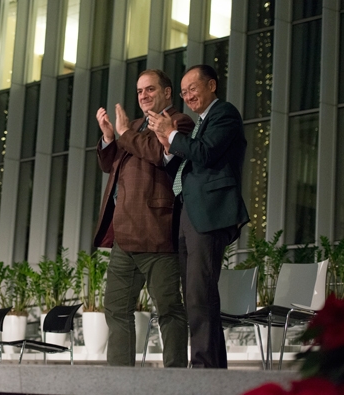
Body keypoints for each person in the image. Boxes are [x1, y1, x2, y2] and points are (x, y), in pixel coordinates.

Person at [148, 64, 250, 368]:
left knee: (198, 295)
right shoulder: (202, 122)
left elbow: (205, 154)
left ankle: (204, 368)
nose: (188, 95)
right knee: (198, 295)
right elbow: (187, 166)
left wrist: (171, 134)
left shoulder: (224, 114)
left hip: (209, 214)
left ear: (212, 86)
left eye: (193, 88)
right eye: (184, 92)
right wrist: (168, 144)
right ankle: (212, 368)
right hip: (188, 214)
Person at [93, 69, 193, 367]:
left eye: (150, 89)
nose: (143, 96)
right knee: (115, 309)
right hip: (124, 234)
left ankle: (175, 379)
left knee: (169, 310)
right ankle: (120, 381)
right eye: (139, 91)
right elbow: (109, 164)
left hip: (157, 234)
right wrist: (110, 137)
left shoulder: (180, 122)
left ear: (167, 92)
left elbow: (157, 154)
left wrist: (124, 134)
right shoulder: (132, 125)